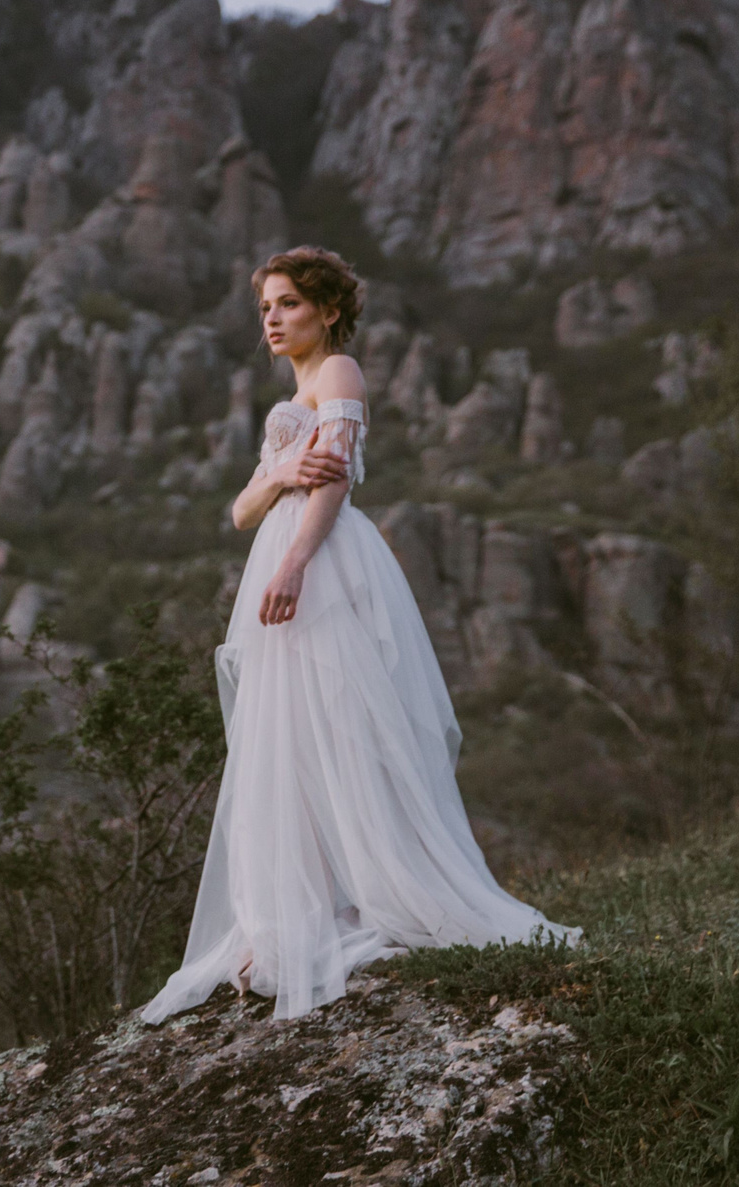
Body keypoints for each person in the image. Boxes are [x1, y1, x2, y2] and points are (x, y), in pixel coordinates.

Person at [138, 245, 575, 1024]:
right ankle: (307, 906)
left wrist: (297, 563)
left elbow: (334, 478)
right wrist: (276, 474)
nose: (272, 318)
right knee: (288, 735)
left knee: (338, 722)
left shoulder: (337, 374)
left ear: (328, 311)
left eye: (289, 304)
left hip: (322, 563)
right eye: (266, 307)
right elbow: (239, 511)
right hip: (279, 553)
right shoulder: (296, 390)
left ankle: (369, 891)